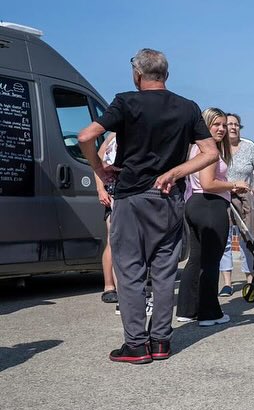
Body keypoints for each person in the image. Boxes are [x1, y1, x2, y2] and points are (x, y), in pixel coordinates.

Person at [77, 48, 216, 364]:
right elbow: (210, 153)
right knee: (165, 272)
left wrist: (98, 166)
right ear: (166, 75)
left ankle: (136, 345)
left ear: (137, 74)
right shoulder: (188, 107)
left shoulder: (126, 101)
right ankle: (161, 343)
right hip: (169, 199)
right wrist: (175, 172)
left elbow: (86, 135)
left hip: (132, 197)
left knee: (130, 271)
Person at [176, 108, 247, 326]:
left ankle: (187, 309)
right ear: (205, 125)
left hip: (195, 204)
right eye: (216, 124)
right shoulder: (209, 151)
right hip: (209, 205)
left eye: (224, 125)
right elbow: (208, 183)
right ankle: (209, 313)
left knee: (196, 258)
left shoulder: (195, 149)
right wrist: (234, 185)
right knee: (211, 261)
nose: (222, 129)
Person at [219, 112, 254, 295]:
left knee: (248, 239)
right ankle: (227, 283)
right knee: (225, 241)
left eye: (236, 124)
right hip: (223, 197)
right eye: (229, 124)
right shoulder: (217, 148)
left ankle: (251, 280)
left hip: (245, 198)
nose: (232, 127)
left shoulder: (249, 147)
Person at [94, 132, 120, 309]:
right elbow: (97, 162)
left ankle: (121, 287)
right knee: (113, 240)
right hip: (113, 191)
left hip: (130, 190)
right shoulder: (112, 136)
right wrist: (100, 189)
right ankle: (109, 286)